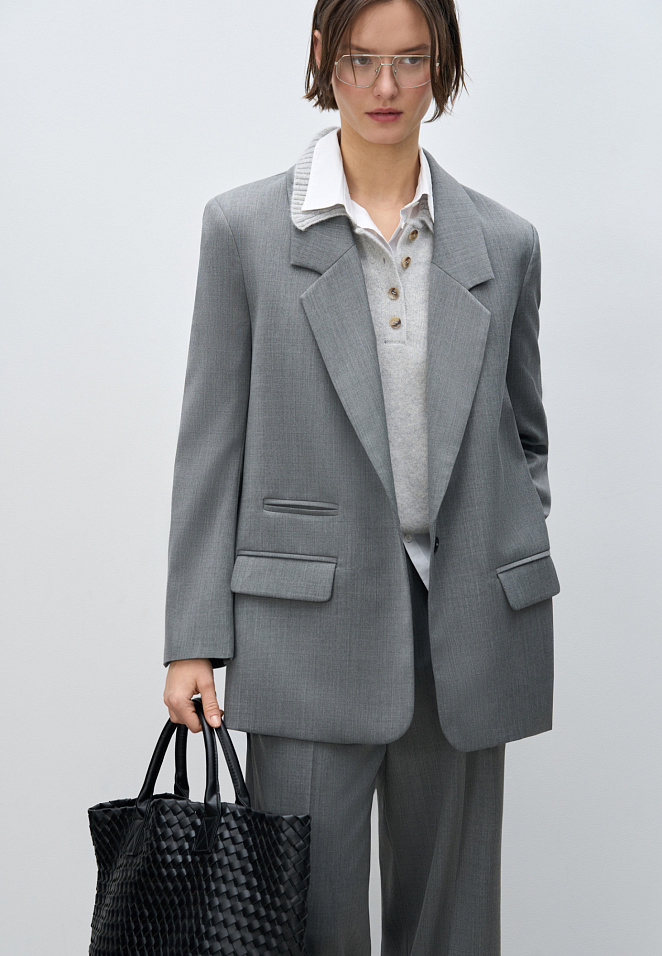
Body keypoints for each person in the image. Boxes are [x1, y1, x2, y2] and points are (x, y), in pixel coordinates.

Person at [162, 0, 560, 952]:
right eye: (360, 60)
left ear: (441, 60)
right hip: (306, 632)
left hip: (464, 634)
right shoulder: (245, 231)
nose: (386, 87)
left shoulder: (503, 243)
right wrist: (193, 641)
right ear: (322, 57)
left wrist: (504, 541)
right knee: (307, 922)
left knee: (453, 928)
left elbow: (526, 436)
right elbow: (211, 444)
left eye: (411, 60)